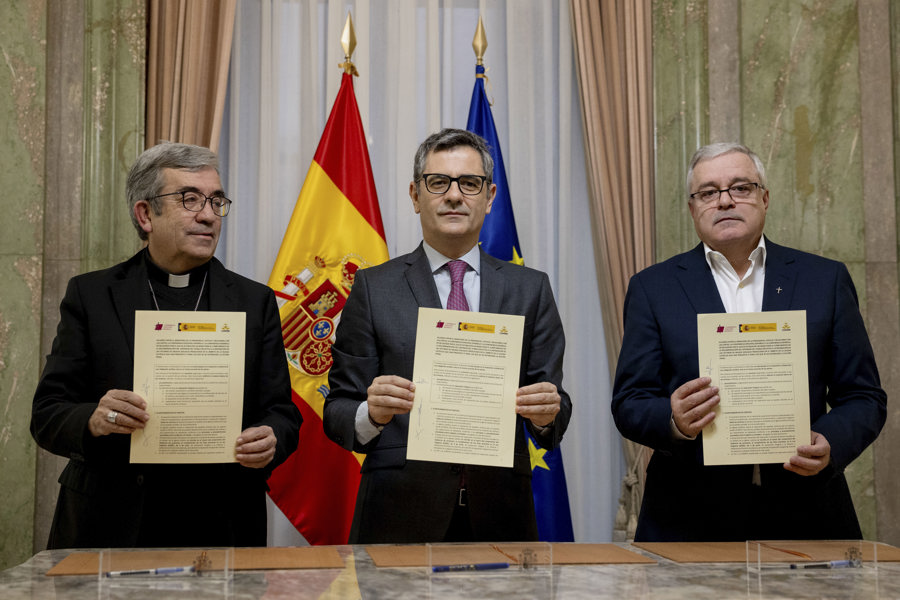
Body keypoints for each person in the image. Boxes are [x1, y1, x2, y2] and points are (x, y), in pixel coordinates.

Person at [31, 142, 302, 549]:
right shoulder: (92, 295)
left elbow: (281, 412)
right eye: (190, 199)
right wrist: (94, 419)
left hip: (222, 521)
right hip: (112, 521)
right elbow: (48, 413)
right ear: (145, 215)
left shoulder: (253, 301)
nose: (208, 215)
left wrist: (271, 437)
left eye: (216, 201)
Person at [612, 142, 887, 542]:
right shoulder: (653, 288)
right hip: (688, 516)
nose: (725, 201)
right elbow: (629, 402)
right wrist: (673, 419)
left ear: (765, 198)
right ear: (692, 208)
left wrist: (831, 441)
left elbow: (864, 396)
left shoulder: (824, 280)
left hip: (806, 511)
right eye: (708, 192)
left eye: (740, 187)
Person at [323, 128, 572, 543]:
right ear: (415, 195)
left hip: (501, 514)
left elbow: (554, 407)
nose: (454, 195)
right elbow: (337, 411)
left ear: (489, 197)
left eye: (469, 183)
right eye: (438, 182)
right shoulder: (373, 288)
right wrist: (372, 412)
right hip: (397, 514)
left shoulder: (531, 289)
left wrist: (547, 414)